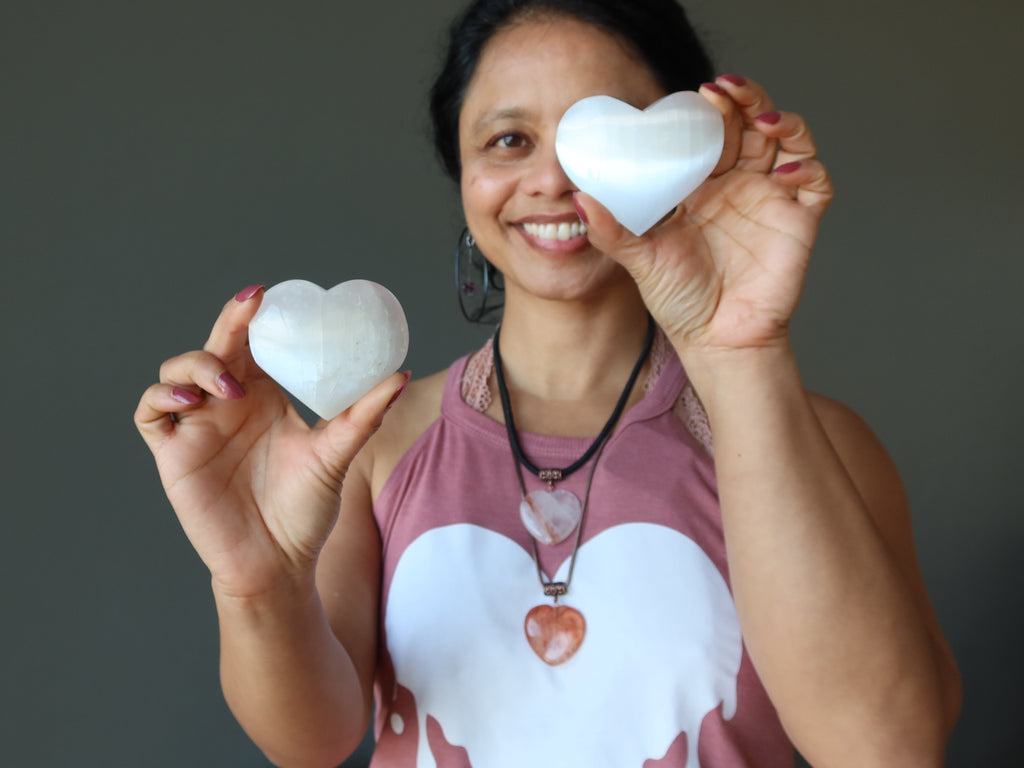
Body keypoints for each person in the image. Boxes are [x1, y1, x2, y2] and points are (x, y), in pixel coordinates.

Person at [135, 0, 962, 765]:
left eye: (595, 136)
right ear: (460, 175)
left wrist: (738, 350)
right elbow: (309, 741)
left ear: (691, 150)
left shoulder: (824, 447)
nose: (554, 181)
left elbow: (884, 747)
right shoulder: (370, 443)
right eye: (508, 140)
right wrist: (256, 583)